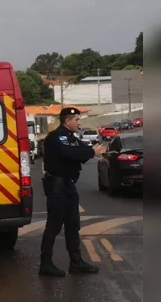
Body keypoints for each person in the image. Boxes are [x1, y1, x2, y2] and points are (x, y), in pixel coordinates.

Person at [39, 107, 106, 277]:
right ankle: (45, 264)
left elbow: (81, 153)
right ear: (67, 121)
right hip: (57, 186)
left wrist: (91, 152)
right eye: (77, 119)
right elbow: (68, 153)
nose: (79, 122)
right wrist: (91, 152)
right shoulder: (56, 137)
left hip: (68, 186)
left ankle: (76, 262)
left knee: (73, 225)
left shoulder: (71, 137)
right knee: (54, 226)